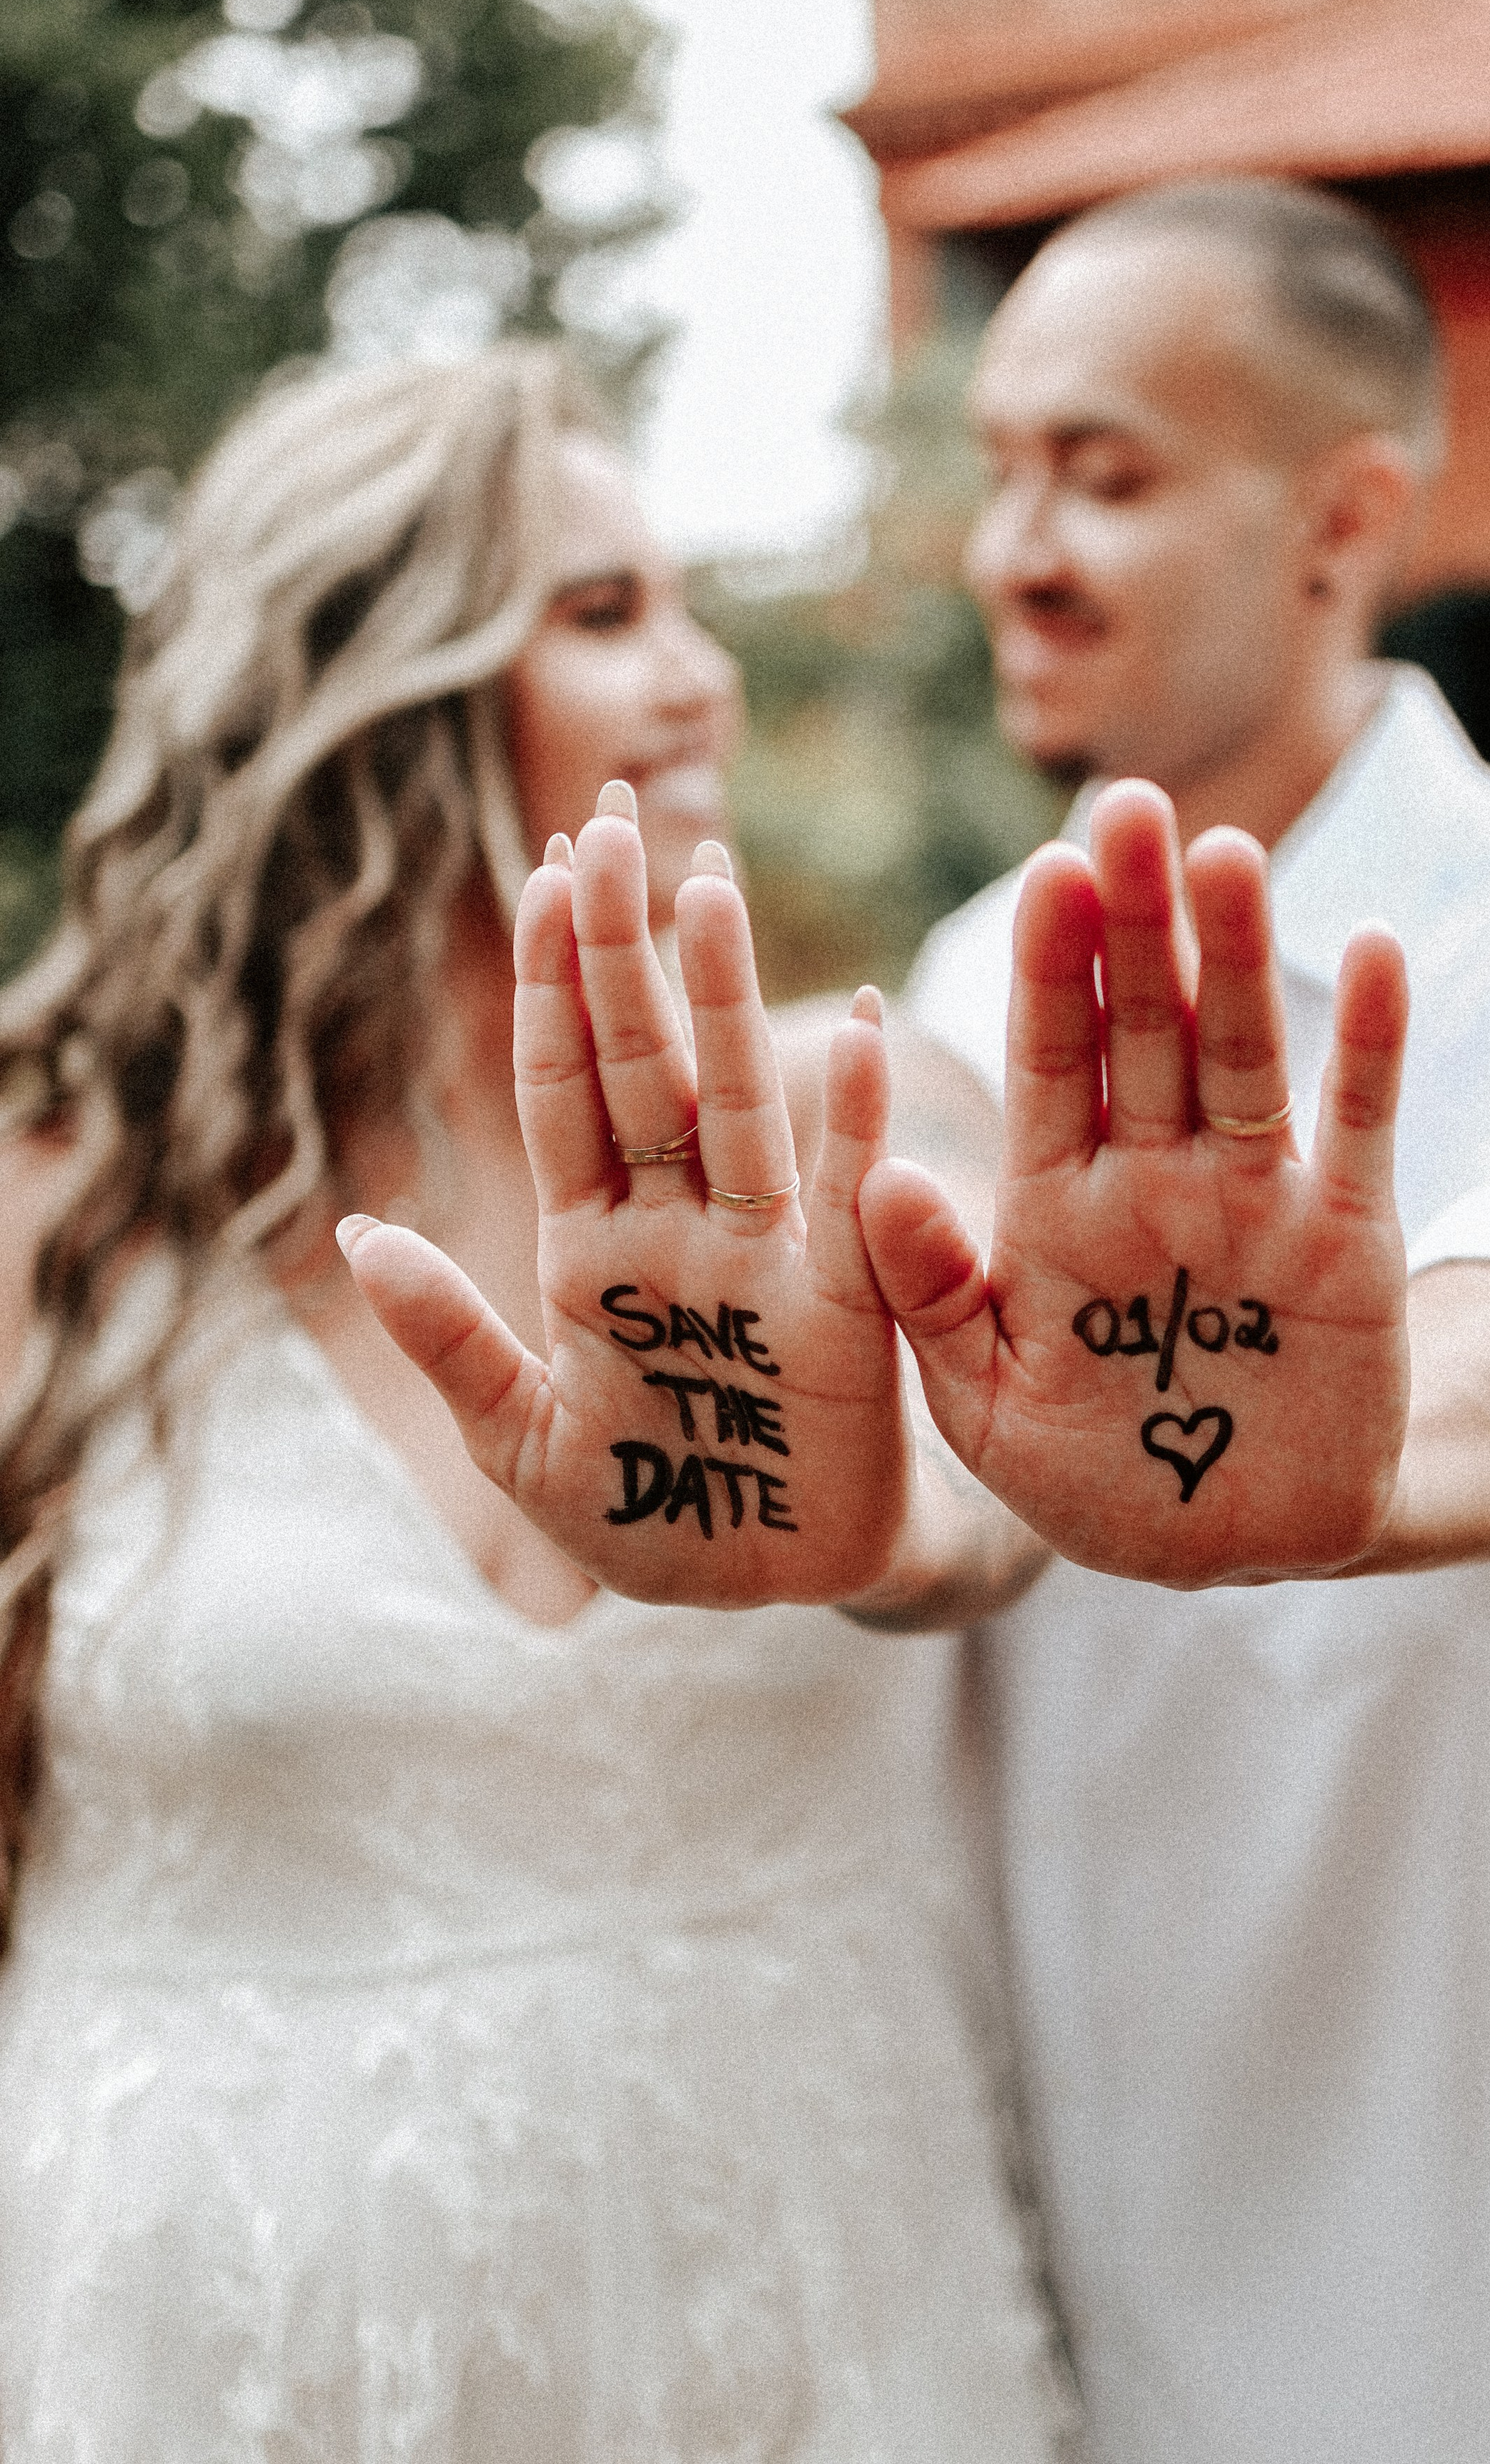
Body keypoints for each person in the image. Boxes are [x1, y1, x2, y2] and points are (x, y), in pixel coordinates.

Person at [0, 344, 1068, 2461]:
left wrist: (871, 1537)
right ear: (373, 686)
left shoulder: (873, 1114)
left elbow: (1003, 1515)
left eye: (684, 605)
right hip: (217, 2355)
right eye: (599, 615)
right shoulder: (57, 1204)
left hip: (812, 2311)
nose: (700, 680)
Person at [879, 178, 1490, 2463]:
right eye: (999, 469)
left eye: (1102, 474)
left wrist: (1370, 1451)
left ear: (1342, 514)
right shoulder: (963, 981)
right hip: (1063, 2267)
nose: (1015, 548)